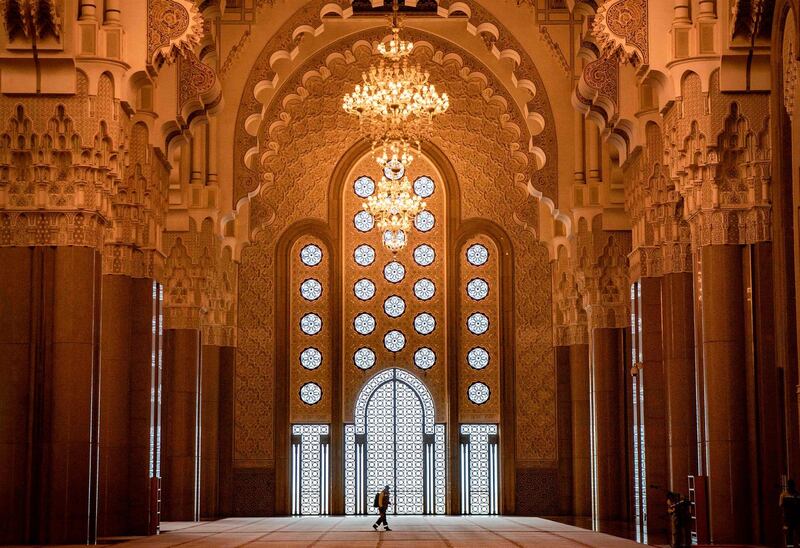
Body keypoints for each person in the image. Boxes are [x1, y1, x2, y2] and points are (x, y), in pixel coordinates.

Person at [781, 479, 800, 547]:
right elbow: (782, 507)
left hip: (796, 518)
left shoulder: (798, 494)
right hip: (789, 518)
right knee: (789, 535)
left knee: (797, 534)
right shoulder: (784, 495)